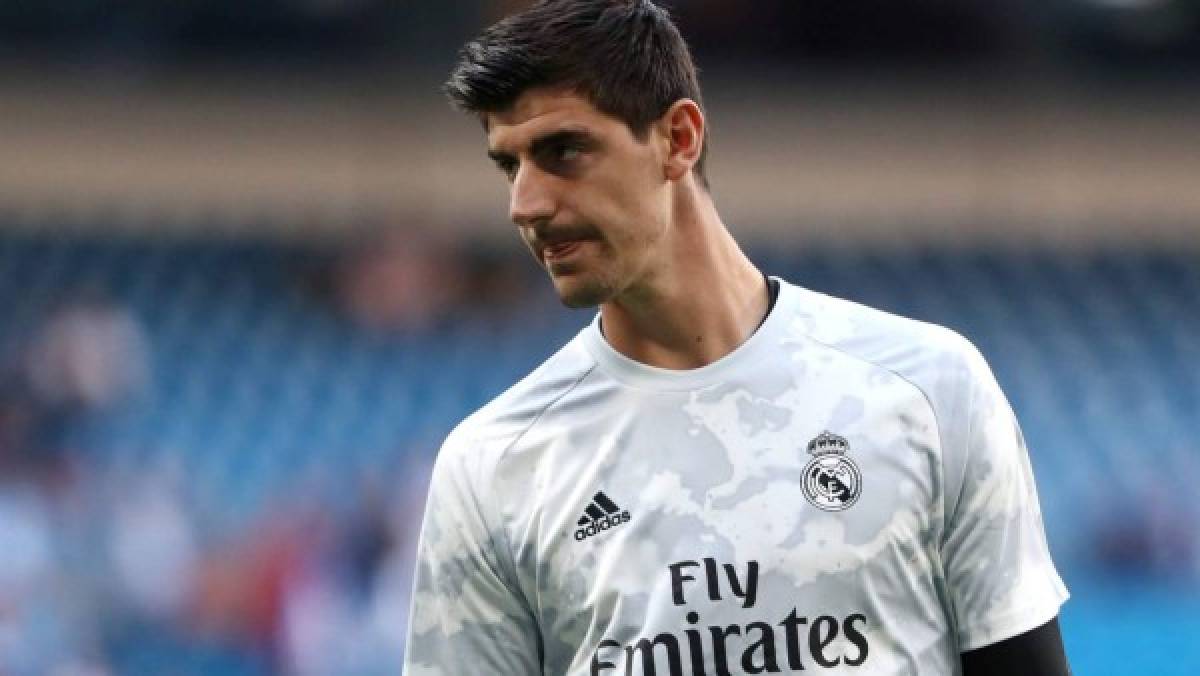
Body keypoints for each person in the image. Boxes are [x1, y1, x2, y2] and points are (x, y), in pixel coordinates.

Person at [404, 1, 1071, 674]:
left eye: (563, 152)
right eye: (509, 166)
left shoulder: (928, 388)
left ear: (678, 138)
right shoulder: (495, 466)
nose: (526, 204)